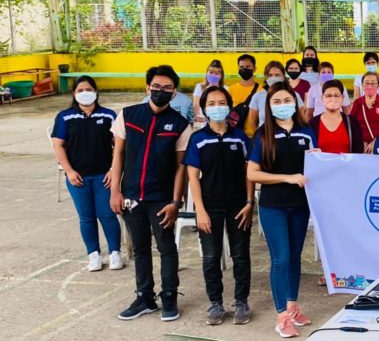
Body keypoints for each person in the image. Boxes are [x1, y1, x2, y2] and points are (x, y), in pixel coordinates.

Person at [111, 65, 193, 321]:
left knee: (167, 248)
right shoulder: (128, 115)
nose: (160, 91)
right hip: (132, 196)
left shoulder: (180, 125)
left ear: (174, 92)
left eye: (167, 88)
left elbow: (181, 168)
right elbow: (119, 155)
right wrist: (115, 191)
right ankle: (144, 297)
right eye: (156, 87)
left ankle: (169, 297)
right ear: (147, 88)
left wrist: (175, 201)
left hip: (162, 199)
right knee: (140, 248)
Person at [246, 82, 317, 338]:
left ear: (295, 102)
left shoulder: (306, 132)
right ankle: (281, 316)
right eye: (276, 101)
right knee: (281, 258)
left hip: (300, 205)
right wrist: (286, 178)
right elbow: (252, 173)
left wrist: (318, 160)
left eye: (287, 99)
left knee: (296, 257)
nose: (283, 105)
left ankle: (292, 306)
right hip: (273, 205)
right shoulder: (263, 134)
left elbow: (315, 166)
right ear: (269, 106)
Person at [184, 86, 255, 326]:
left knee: (241, 256)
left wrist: (249, 202)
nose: (217, 107)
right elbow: (193, 177)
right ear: (204, 108)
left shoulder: (240, 137)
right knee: (211, 257)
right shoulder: (198, 139)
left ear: (229, 105)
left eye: (221, 102)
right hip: (209, 208)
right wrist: (199, 211)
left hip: (238, 206)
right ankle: (215, 303)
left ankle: (241, 302)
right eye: (211, 103)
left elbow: (249, 172)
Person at [52, 75, 122, 272]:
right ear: (74, 94)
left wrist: (113, 171)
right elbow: (58, 145)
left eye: (88, 89)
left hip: (103, 176)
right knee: (86, 217)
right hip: (78, 177)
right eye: (80, 90)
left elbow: (119, 146)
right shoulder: (65, 117)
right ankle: (94, 255)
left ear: (96, 92)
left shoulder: (108, 115)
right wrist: (69, 171)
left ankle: (115, 252)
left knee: (107, 214)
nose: (85, 93)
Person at [247, 61, 306, 134]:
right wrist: (260, 136)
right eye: (270, 75)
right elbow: (252, 120)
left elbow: (301, 118)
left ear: (283, 76)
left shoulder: (294, 95)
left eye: (277, 75)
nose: (273, 78)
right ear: (266, 77)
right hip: (266, 138)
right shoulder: (258, 96)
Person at [309, 80, 364, 154]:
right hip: (320, 165)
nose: (333, 99)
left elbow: (358, 151)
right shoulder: (313, 123)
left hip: (347, 165)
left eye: (336, 95)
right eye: (328, 95)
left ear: (342, 98)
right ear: (322, 98)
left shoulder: (352, 122)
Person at [228, 54, 262, 137]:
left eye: (247, 66)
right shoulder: (231, 89)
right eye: (241, 67)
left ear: (254, 69)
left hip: (254, 135)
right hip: (235, 135)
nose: (244, 69)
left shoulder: (262, 90)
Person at [351, 73, 379, 152]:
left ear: (378, 86)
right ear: (362, 86)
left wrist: (375, 142)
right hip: (361, 146)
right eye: (366, 83)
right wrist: (360, 141)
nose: (369, 86)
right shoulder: (357, 103)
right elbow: (352, 125)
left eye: (373, 83)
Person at [192, 59, 225, 125]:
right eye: (211, 72)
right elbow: (196, 104)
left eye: (216, 73)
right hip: (204, 121)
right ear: (206, 73)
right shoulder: (200, 87)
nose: (213, 75)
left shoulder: (225, 89)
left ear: (221, 76)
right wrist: (196, 116)